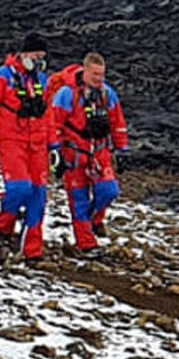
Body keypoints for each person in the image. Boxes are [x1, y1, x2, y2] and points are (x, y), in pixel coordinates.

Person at [0, 33, 53, 260]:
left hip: (37, 144)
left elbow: (48, 116)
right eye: (36, 55)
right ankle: (5, 223)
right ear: (23, 54)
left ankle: (32, 250)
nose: (39, 61)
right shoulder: (0, 78)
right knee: (20, 188)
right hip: (11, 141)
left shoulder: (42, 81)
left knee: (38, 195)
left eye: (42, 57)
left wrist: (55, 146)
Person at [47, 52, 128, 256]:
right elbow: (53, 124)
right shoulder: (66, 94)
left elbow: (118, 122)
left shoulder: (107, 94)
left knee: (109, 191)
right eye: (94, 75)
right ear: (85, 71)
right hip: (74, 153)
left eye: (101, 75)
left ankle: (95, 220)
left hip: (99, 152)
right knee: (79, 200)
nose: (99, 79)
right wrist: (55, 153)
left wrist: (122, 149)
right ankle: (86, 243)